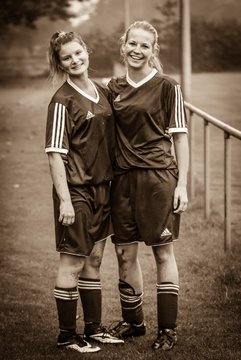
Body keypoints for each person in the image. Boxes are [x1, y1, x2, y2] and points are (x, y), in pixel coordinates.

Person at [107, 21, 189, 351]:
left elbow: (180, 137)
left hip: (158, 179)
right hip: (122, 180)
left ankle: (167, 330)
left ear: (153, 51)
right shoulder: (112, 88)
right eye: (132, 44)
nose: (137, 50)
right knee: (125, 254)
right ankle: (134, 322)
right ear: (122, 46)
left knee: (162, 252)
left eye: (144, 46)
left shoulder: (168, 86)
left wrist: (182, 184)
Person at [45, 31, 124, 354]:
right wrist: (65, 199)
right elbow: (54, 153)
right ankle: (66, 335)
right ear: (60, 63)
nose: (75, 60)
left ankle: (93, 329)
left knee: (93, 260)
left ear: (87, 52)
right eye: (67, 57)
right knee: (72, 263)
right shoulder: (61, 100)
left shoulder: (102, 91)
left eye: (78, 53)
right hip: (76, 192)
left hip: (103, 189)